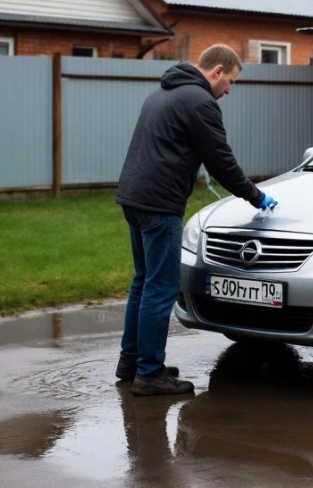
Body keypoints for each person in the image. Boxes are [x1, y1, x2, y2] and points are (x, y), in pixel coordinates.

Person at [115, 44, 277, 396]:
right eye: (230, 81)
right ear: (217, 71)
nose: (229, 90)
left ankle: (132, 363)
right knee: (161, 287)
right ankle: (150, 374)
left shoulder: (163, 92)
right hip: (160, 204)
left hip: (134, 197)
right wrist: (255, 195)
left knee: (143, 282)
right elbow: (221, 160)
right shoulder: (200, 101)